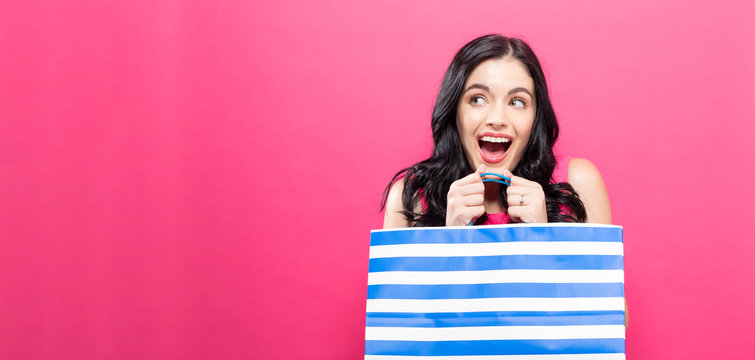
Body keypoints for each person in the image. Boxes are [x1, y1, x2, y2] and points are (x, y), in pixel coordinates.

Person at [382, 34, 612, 228]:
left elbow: (600, 283)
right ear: (454, 110)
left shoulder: (578, 183)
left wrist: (541, 240)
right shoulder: (409, 199)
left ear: (535, 116)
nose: (497, 119)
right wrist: (450, 242)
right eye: (478, 99)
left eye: (517, 102)